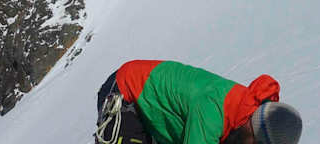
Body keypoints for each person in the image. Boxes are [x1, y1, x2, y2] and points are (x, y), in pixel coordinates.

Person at [95, 59, 302, 144]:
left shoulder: (244, 111)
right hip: (125, 91)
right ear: (254, 130)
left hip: (153, 108)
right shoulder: (213, 112)